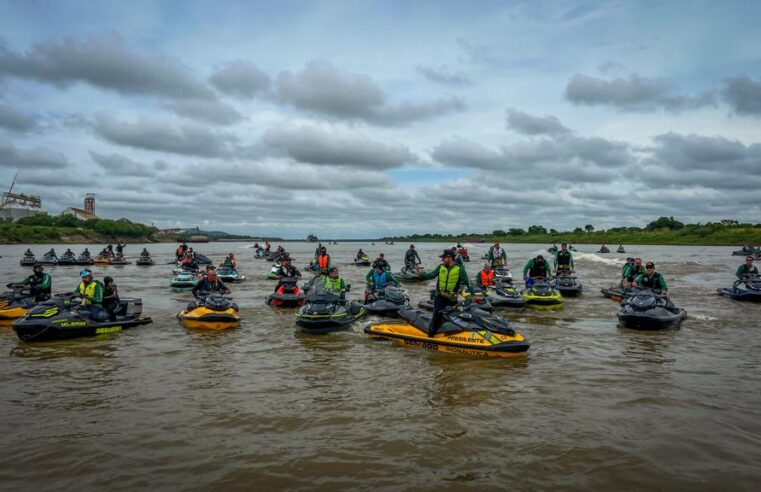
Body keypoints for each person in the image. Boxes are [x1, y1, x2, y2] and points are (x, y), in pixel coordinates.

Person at [419, 250, 473, 336]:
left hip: (452, 298)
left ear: (449, 258)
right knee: (436, 315)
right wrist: (422, 275)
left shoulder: (459, 269)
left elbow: (468, 282)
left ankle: (451, 334)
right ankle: (430, 335)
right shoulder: (440, 267)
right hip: (440, 297)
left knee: (454, 317)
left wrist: (473, 295)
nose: (442, 260)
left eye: (443, 258)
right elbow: (431, 275)